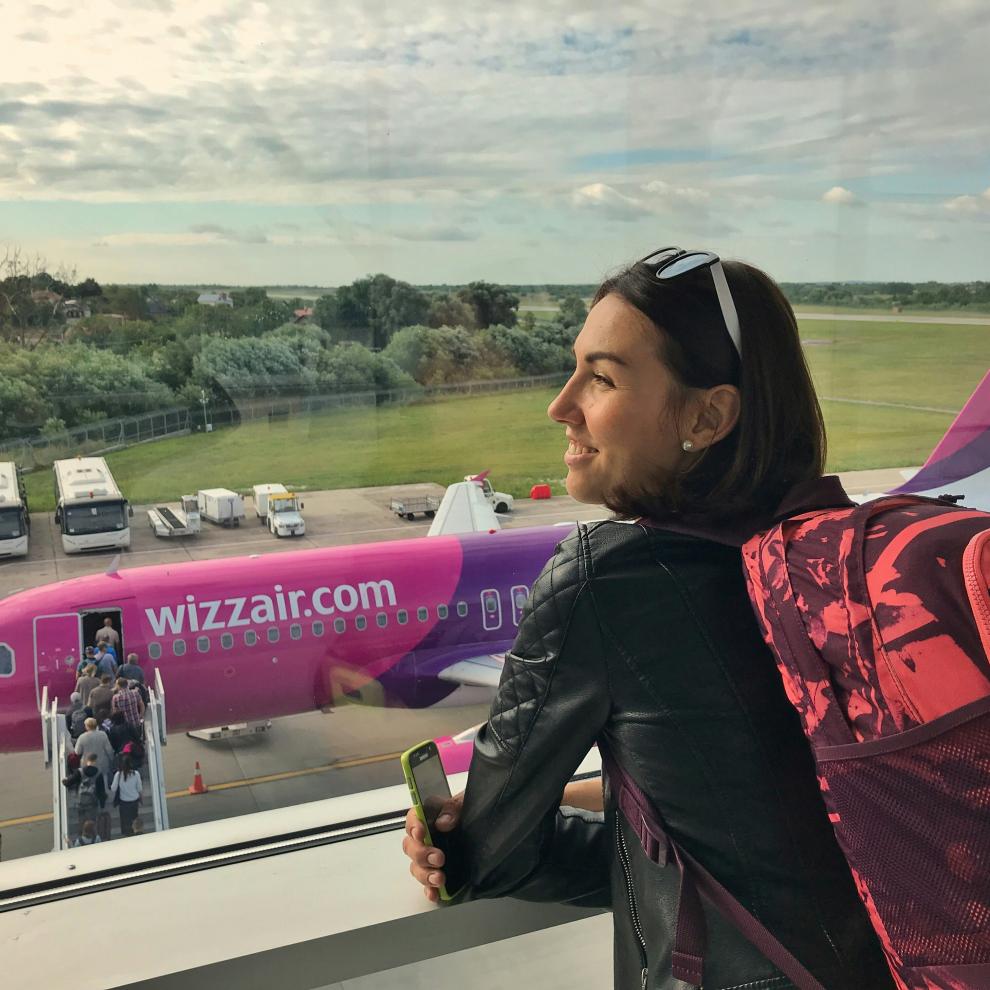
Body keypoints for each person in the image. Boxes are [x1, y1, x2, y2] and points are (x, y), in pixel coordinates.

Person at [402, 249, 894, 989]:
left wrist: (462, 836)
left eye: (600, 377)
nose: (560, 405)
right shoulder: (837, 555)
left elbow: (490, 855)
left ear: (707, 414)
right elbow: (768, 813)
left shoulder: (606, 578)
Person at [74, 716, 115, 785]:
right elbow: (109, 750)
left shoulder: (82, 737)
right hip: (102, 764)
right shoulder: (103, 735)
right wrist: (112, 760)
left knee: (89, 784)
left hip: (87, 765)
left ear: (87, 726)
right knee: (103, 782)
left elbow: (77, 752)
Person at [109, 755, 142, 838]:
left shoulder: (118, 774)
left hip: (124, 803)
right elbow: (139, 788)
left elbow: (113, 788)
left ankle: (127, 836)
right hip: (134, 801)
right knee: (134, 820)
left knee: (125, 823)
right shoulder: (136, 774)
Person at [72, 753, 107, 825]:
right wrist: (102, 805)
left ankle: (82, 834)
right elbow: (101, 791)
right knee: (91, 823)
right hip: (92, 804)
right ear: (95, 761)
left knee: (81, 823)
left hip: (81, 803)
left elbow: (69, 782)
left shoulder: (80, 772)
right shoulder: (98, 774)